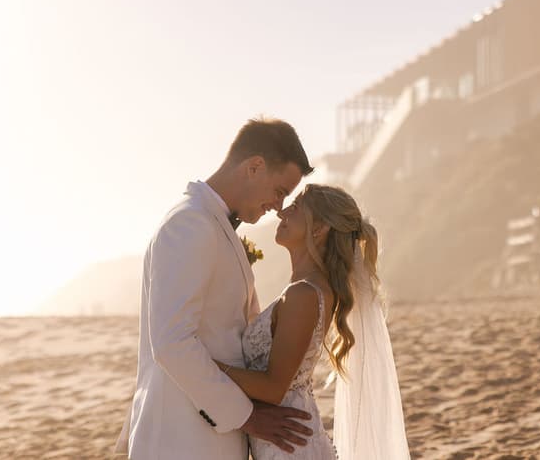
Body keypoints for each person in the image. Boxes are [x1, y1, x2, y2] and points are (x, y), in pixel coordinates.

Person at [118, 118, 316, 459]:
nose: (280, 206)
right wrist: (249, 417)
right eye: (280, 191)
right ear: (254, 167)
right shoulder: (189, 224)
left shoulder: (212, 223)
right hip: (182, 440)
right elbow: (172, 343)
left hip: (212, 439)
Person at [215, 184, 410, 459]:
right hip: (286, 437)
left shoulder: (304, 294)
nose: (282, 213)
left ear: (319, 229)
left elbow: (273, 388)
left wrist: (209, 367)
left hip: (288, 444)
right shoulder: (307, 289)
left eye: (295, 208)